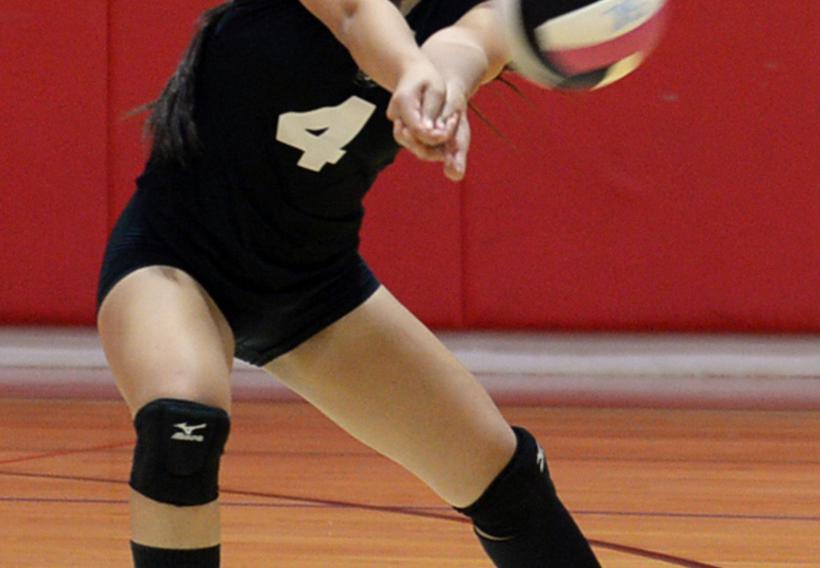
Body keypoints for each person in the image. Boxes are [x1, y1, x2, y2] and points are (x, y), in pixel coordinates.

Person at [96, 1, 601, 566]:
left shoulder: (486, 7)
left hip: (317, 290)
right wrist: (411, 73)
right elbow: (358, 16)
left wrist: (442, 91)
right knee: (181, 431)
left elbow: (468, 45)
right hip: (175, 262)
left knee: (505, 481)